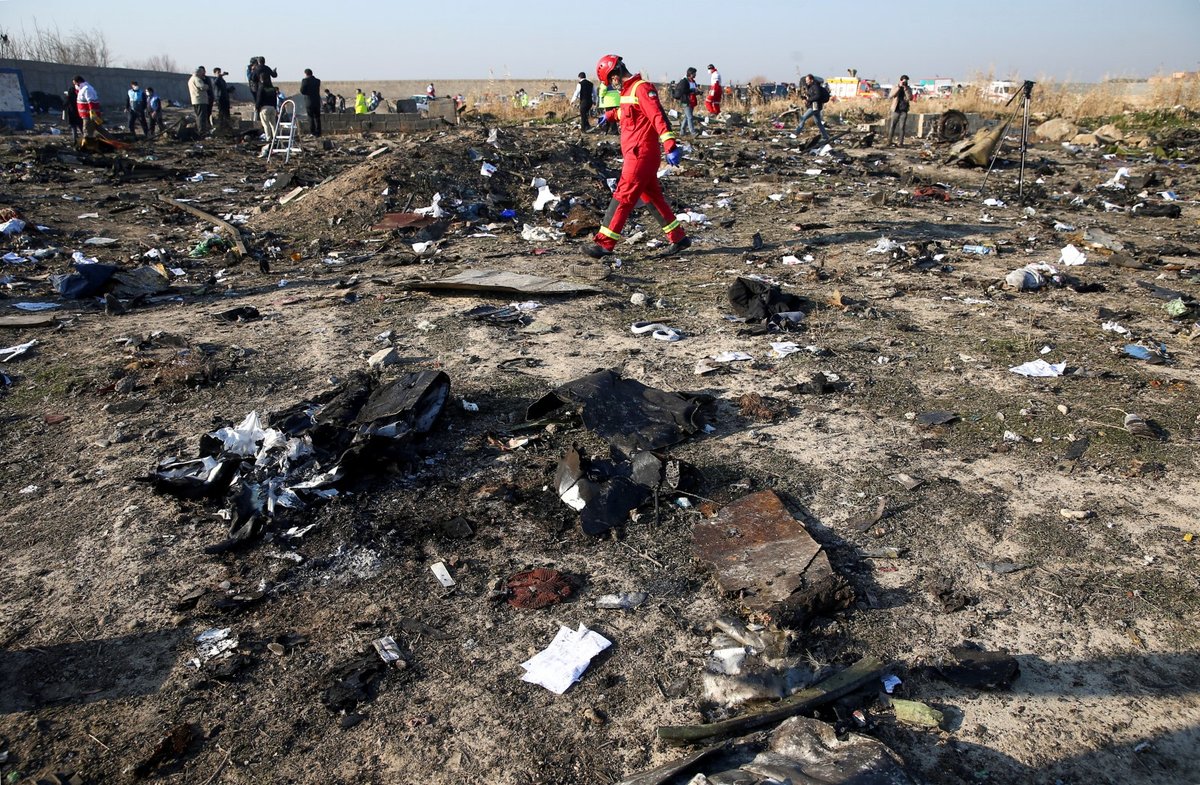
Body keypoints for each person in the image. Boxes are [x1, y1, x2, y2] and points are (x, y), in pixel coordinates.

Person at [582, 55, 690, 260]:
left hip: (641, 155)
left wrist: (670, 144)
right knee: (652, 197)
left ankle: (604, 244)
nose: (611, 83)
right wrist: (610, 115)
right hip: (636, 154)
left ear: (614, 74)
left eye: (609, 79)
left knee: (623, 195)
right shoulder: (628, 91)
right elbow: (629, 114)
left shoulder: (641, 88)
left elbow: (657, 116)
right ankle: (678, 238)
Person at [794, 73, 830, 142]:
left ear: (811, 80)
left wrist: (808, 100)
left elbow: (817, 96)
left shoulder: (815, 86)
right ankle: (826, 136)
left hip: (814, 107)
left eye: (807, 80)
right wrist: (804, 98)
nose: (806, 81)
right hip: (815, 107)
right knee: (818, 122)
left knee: (803, 118)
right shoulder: (810, 87)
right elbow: (811, 96)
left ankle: (796, 134)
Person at [254, 67, 280, 156]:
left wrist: (257, 108)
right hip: (272, 107)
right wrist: (275, 108)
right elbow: (275, 99)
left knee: (266, 124)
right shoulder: (272, 88)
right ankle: (276, 137)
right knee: (273, 124)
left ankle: (268, 140)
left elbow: (259, 99)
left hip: (264, 108)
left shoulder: (261, 87)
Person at [886, 74, 913, 147]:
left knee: (902, 127)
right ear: (900, 81)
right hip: (896, 109)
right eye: (904, 81)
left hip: (904, 110)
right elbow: (891, 96)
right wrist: (898, 87)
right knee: (892, 126)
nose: (905, 83)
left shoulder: (908, 88)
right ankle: (889, 141)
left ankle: (900, 143)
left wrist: (905, 89)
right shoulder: (895, 87)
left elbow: (910, 98)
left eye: (906, 82)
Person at [188, 66, 213, 135]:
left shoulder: (190, 79)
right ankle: (201, 131)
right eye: (201, 73)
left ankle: (200, 129)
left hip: (195, 100)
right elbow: (202, 87)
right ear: (198, 73)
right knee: (201, 116)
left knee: (198, 115)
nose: (203, 74)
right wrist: (207, 86)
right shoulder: (196, 79)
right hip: (200, 100)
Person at [675, 67, 698, 136]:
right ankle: (693, 132)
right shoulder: (684, 81)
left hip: (692, 101)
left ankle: (682, 132)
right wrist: (692, 91)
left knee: (687, 117)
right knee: (690, 117)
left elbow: (694, 90)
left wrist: (698, 92)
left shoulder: (693, 82)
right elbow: (683, 91)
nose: (695, 75)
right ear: (690, 74)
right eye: (694, 73)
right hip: (685, 101)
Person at [300, 68, 322, 137]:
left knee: (310, 117)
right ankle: (319, 132)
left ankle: (313, 132)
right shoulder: (317, 81)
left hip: (309, 101)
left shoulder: (305, 80)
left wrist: (307, 92)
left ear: (306, 74)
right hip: (316, 101)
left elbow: (302, 91)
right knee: (317, 118)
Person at [212, 67, 232, 133]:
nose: (219, 74)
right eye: (218, 73)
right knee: (221, 113)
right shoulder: (215, 79)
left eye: (220, 72)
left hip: (225, 98)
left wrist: (229, 90)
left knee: (226, 113)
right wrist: (220, 76)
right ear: (214, 73)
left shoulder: (222, 80)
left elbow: (224, 89)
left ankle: (227, 126)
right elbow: (216, 83)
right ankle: (221, 126)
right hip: (220, 99)